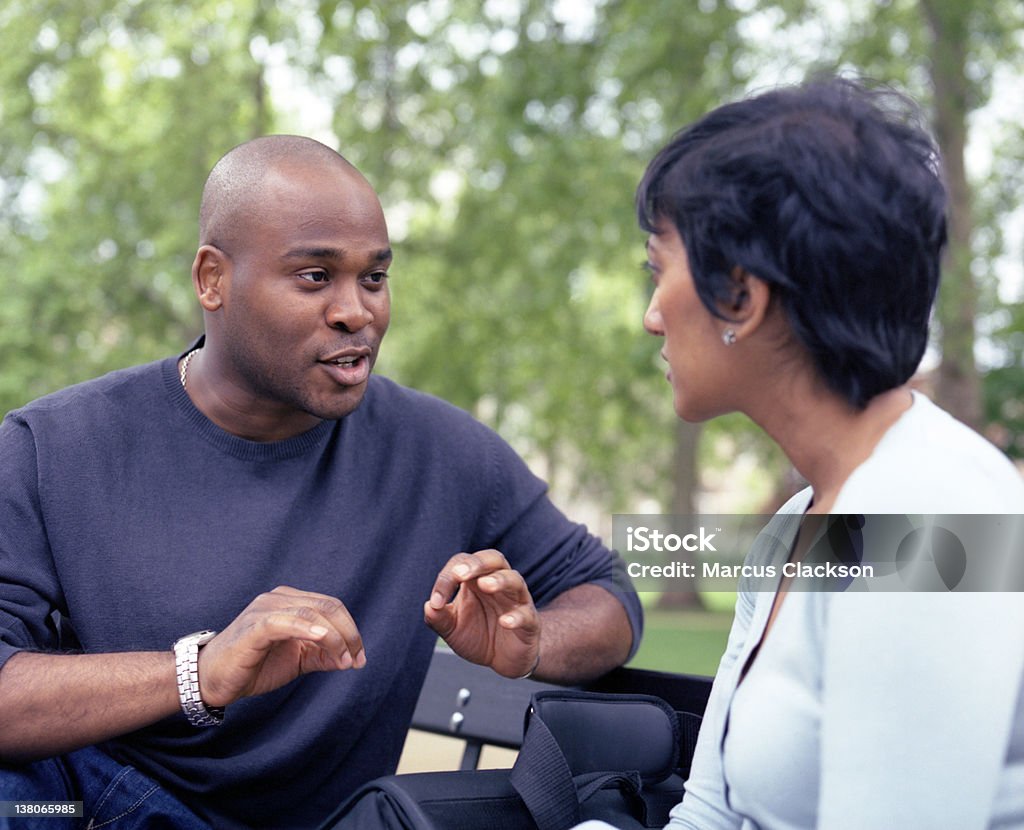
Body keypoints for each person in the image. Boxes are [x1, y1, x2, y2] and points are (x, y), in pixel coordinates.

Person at [0, 135, 642, 829]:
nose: (356, 312)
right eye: (315, 277)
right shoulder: (53, 448)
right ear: (213, 279)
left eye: (373, 278)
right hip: (108, 806)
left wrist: (533, 641)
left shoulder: (441, 452)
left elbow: (607, 599)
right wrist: (199, 672)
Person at [577, 76, 1024, 830]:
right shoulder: (794, 528)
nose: (652, 317)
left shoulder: (929, 520)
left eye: (660, 271)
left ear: (742, 297)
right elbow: (714, 814)